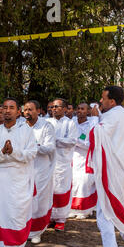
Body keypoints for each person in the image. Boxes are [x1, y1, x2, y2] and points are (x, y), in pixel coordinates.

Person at [0, 98, 37, 247]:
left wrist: (13, 152)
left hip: (18, 179)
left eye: (11, 108)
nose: (7, 111)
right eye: (4, 108)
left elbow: (31, 154)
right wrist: (2, 153)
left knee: (15, 214)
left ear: (18, 112)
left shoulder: (26, 131)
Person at [87, 86, 124, 247]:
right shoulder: (121, 115)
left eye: (103, 98)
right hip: (119, 169)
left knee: (105, 212)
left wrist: (94, 117)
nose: (101, 100)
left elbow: (96, 135)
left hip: (113, 171)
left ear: (112, 101)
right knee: (119, 207)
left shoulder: (114, 116)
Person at [24, 100, 56, 244]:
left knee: (40, 200)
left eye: (30, 110)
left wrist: (33, 147)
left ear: (38, 111)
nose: (27, 112)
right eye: (25, 110)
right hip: (24, 169)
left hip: (40, 169)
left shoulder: (46, 126)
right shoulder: (20, 126)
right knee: (25, 199)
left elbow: (50, 147)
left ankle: (37, 231)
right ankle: (24, 229)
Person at [46, 98, 78, 231]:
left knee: (61, 190)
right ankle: (48, 217)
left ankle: (60, 219)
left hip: (62, 163)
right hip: (47, 162)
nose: (54, 109)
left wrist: (56, 140)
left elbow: (72, 141)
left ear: (65, 109)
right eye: (53, 107)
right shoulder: (46, 122)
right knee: (48, 191)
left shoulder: (70, 123)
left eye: (57, 107)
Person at [69, 103, 98, 219]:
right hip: (72, 157)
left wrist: (76, 141)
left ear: (88, 111)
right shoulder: (72, 122)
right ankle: (72, 208)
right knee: (73, 182)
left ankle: (84, 210)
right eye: (78, 109)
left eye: (83, 109)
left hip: (85, 158)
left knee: (84, 183)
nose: (80, 111)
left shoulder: (91, 123)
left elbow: (91, 144)